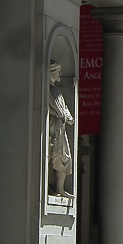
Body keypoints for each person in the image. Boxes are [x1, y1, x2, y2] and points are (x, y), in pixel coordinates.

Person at [48, 60, 75, 197]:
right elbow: (59, 110)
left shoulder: (56, 90)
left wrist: (68, 117)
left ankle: (60, 189)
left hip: (59, 127)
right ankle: (52, 188)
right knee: (51, 156)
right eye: (58, 71)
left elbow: (64, 108)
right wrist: (65, 116)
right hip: (52, 127)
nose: (61, 74)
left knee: (64, 157)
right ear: (51, 72)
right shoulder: (49, 89)